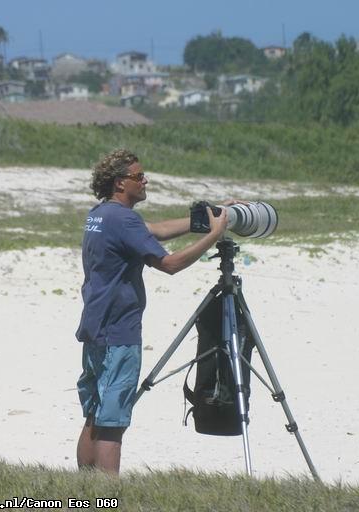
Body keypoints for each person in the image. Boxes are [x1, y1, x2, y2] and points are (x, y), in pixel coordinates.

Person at [75, 148, 235, 474]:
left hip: (94, 326)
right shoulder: (124, 220)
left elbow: (156, 229)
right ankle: (107, 496)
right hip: (119, 331)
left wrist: (205, 219)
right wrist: (215, 235)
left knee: (95, 413)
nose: (145, 180)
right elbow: (170, 264)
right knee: (113, 423)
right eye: (139, 176)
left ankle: (85, 489)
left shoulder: (101, 214)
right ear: (120, 183)